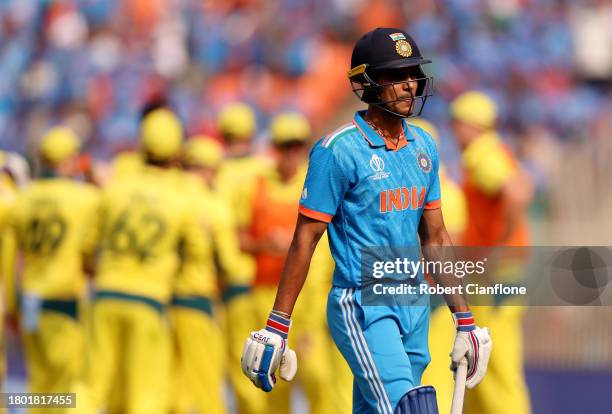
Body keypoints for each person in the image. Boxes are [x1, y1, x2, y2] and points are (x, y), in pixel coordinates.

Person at [241, 27, 492, 413]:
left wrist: (465, 319)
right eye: (396, 75)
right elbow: (304, 240)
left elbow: (436, 238)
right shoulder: (337, 151)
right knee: (410, 406)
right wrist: (278, 324)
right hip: (362, 303)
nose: (409, 85)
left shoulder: (424, 145)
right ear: (366, 82)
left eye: (413, 74)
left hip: (413, 301)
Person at [81, 108, 206, 414]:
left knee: (90, 388)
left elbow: (86, 248)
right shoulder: (182, 199)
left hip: (106, 293)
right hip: (148, 300)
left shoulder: (115, 188)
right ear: (177, 150)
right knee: (146, 395)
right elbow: (198, 253)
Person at [449, 91, 533, 414]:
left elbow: (515, 193)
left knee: (495, 362)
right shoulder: (496, 151)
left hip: (496, 273)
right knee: (485, 360)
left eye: (457, 122)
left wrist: (498, 247)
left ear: (472, 125)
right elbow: (524, 183)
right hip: (501, 271)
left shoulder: (483, 154)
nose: (454, 130)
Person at [7, 127, 99, 413]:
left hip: (31, 302)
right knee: (70, 388)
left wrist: (13, 304)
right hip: (64, 303)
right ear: (71, 160)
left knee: (40, 387)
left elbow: (12, 257)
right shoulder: (84, 199)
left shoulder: (22, 199)